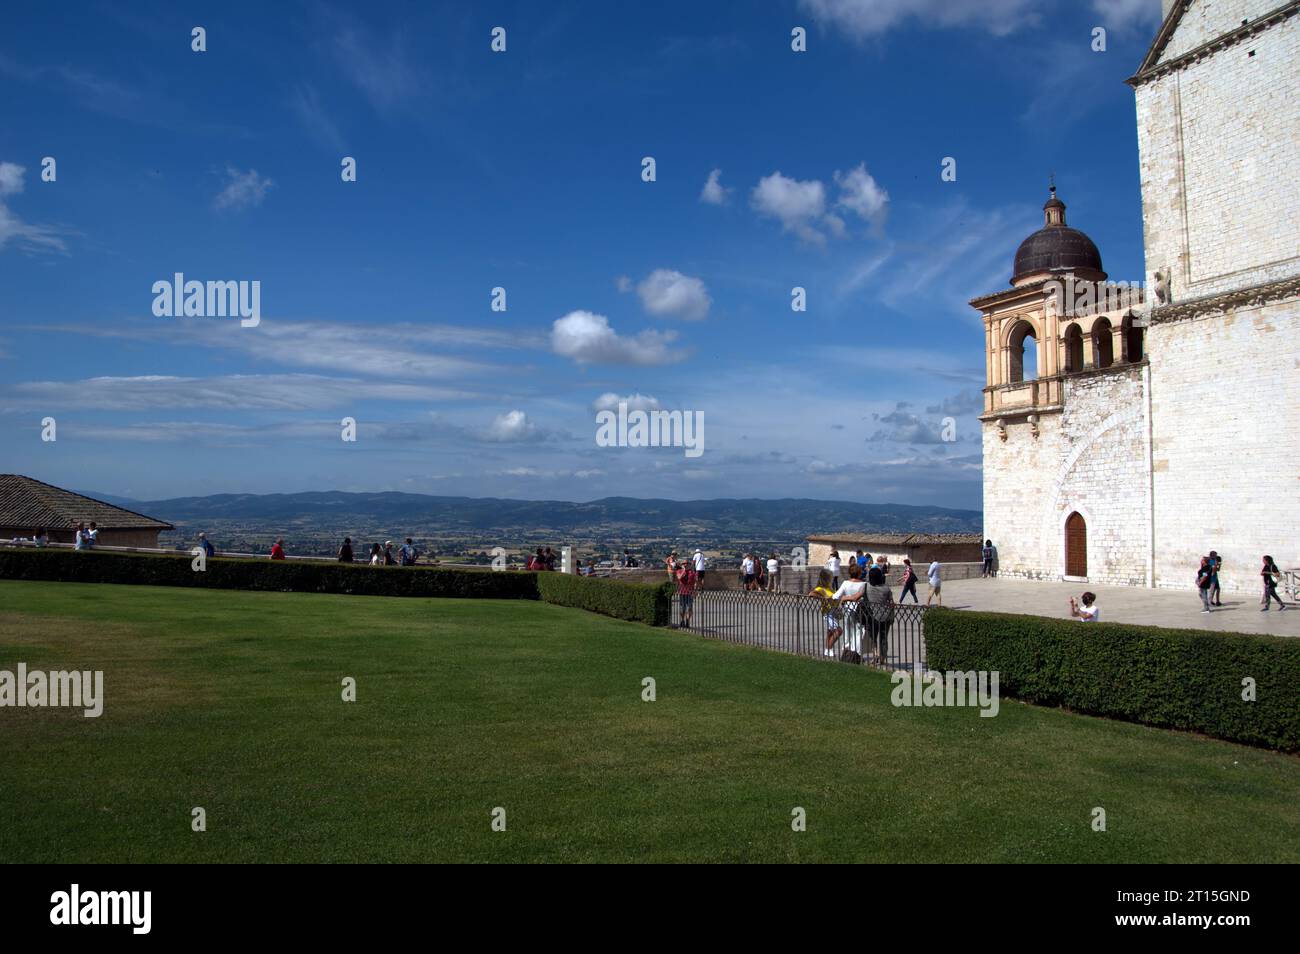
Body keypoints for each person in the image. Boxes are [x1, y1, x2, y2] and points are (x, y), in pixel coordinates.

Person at [832, 563, 867, 653]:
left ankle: (846, 649)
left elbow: (835, 596)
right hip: (859, 610)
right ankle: (855, 651)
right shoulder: (864, 584)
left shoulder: (845, 583)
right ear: (859, 573)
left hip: (847, 609)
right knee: (859, 631)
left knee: (847, 630)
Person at [864, 566, 896, 665]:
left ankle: (875, 654)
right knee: (883, 638)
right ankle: (882, 658)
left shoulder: (867, 587)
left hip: (873, 615)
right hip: (886, 615)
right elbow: (891, 602)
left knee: (873, 637)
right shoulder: (886, 588)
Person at [808, 569, 841, 657]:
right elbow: (811, 594)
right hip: (828, 612)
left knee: (830, 632)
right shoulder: (820, 588)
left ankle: (827, 650)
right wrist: (823, 597)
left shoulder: (829, 587)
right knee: (838, 631)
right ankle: (829, 648)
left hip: (833, 611)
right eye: (830, 577)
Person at [675, 560, 698, 628]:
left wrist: (695, 591)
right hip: (682, 592)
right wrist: (684, 570)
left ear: (689, 565)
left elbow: (696, 582)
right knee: (682, 608)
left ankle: (687, 620)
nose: (685, 564)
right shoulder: (679, 571)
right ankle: (682, 620)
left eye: (687, 563)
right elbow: (679, 577)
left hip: (690, 592)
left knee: (690, 608)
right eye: (684, 563)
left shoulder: (693, 572)